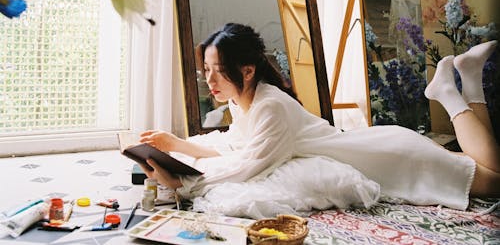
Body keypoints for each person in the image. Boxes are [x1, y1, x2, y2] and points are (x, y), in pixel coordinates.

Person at [139, 23, 499, 211]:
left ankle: (450, 93)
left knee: (494, 181)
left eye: (216, 71)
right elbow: (235, 147)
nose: (210, 80)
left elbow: (248, 166)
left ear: (246, 70)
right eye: (206, 70)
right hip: (379, 151)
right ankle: (467, 78)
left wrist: (181, 183)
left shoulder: (271, 106)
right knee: (483, 168)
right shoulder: (244, 102)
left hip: (393, 159)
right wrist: (178, 146)